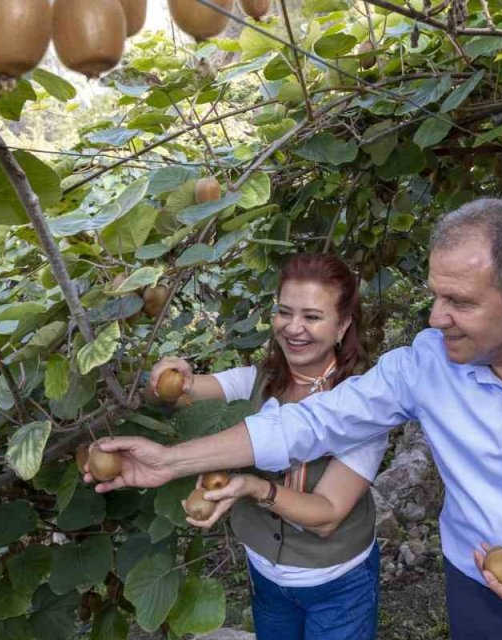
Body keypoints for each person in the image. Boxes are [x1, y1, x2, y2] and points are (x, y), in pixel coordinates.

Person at [88, 199, 502, 639]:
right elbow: (307, 424)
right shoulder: (426, 364)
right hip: (474, 596)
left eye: (459, 302)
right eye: (435, 295)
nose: (436, 318)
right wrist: (169, 460)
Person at [150, 253, 387, 640]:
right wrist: (172, 374)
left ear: (343, 325)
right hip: (265, 576)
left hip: (338, 584)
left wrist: (255, 487)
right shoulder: (257, 382)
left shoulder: (365, 403)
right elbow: (181, 394)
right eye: (284, 312)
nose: (294, 328)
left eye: (312, 316)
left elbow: (327, 515)